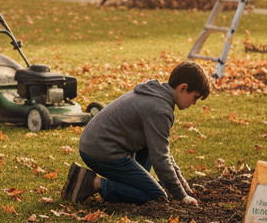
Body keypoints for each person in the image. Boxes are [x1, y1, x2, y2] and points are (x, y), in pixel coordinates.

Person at [62, 61, 211, 205]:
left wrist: (182, 183)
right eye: (195, 97)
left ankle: (129, 185)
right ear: (183, 88)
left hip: (98, 144)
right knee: (155, 196)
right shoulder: (159, 109)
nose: (194, 103)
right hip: (102, 151)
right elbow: (160, 159)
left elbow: (160, 149)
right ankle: (91, 182)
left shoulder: (157, 94)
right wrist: (181, 196)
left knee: (150, 151)